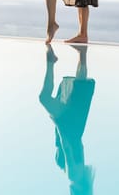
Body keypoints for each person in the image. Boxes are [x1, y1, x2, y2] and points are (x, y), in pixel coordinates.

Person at [39, 44, 96, 195]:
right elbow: (66, 146)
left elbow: (77, 146)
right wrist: (58, 124)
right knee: (44, 98)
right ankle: (52, 60)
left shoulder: (80, 172)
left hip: (74, 128)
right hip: (67, 126)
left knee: (78, 92)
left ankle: (80, 54)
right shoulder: (73, 175)